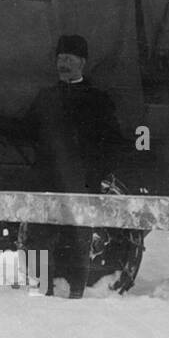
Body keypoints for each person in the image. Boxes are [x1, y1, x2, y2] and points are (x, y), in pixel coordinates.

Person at [22, 34, 127, 298]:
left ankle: (76, 298)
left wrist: (94, 177)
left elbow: (113, 144)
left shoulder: (98, 100)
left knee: (77, 244)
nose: (63, 63)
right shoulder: (45, 98)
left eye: (69, 58)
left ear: (82, 62)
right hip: (47, 184)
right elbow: (24, 131)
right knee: (40, 243)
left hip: (80, 186)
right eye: (59, 58)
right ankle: (44, 294)